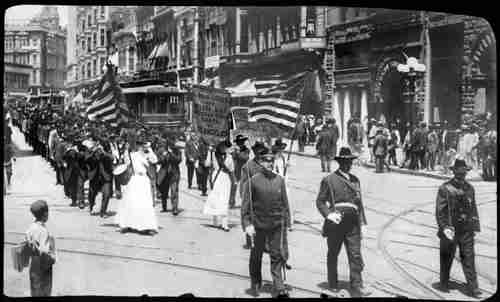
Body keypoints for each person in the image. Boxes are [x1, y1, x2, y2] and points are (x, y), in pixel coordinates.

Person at [315, 147, 370, 297]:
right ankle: (333, 283)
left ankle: (357, 284)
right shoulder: (329, 180)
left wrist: (363, 224)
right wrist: (328, 214)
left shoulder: (355, 180)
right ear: (339, 162)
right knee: (333, 253)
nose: (348, 164)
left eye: (350, 161)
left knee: (355, 254)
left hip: (353, 223)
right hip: (336, 222)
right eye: (344, 161)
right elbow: (320, 202)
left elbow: (359, 204)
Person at [241, 149, 291, 298]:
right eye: (266, 161)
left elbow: (284, 203)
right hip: (258, 225)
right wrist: (247, 224)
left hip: (276, 224)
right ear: (261, 163)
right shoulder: (253, 181)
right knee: (256, 255)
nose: (269, 163)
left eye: (271, 161)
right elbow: (246, 206)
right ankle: (255, 282)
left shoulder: (279, 180)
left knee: (277, 254)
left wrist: (287, 221)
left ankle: (279, 286)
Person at [435, 158, 482, 298]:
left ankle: (473, 288)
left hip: (466, 230)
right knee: (446, 257)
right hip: (450, 229)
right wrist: (444, 228)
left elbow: (473, 209)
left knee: (469, 258)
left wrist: (474, 227)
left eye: (464, 173)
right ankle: (444, 282)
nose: (462, 175)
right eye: (459, 172)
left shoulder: (469, 188)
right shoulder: (445, 188)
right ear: (454, 172)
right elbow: (440, 211)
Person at [115, 139, 159, 235]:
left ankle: (146, 226)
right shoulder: (133, 155)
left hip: (144, 180)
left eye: (144, 145)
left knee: (145, 203)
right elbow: (127, 161)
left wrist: (150, 150)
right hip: (135, 179)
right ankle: (127, 224)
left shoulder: (148, 154)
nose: (142, 147)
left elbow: (155, 160)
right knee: (131, 202)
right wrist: (126, 150)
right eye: (141, 145)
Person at [25, 200, 56, 297]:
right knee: (45, 289)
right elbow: (44, 250)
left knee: (35, 287)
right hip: (43, 263)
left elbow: (27, 239)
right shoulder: (43, 230)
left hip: (34, 263)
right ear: (45, 214)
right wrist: (52, 258)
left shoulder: (31, 227)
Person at [240, 142, 267, 249]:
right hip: (252, 195)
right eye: (258, 152)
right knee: (249, 217)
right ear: (255, 153)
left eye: (262, 152)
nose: (260, 155)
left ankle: (264, 243)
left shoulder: (267, 164)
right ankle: (249, 241)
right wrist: (244, 196)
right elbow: (244, 182)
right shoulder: (248, 166)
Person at [203, 140, 234, 232]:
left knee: (225, 201)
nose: (223, 148)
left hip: (225, 179)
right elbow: (207, 164)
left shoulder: (229, 157)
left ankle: (225, 224)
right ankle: (215, 221)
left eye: (225, 147)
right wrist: (209, 152)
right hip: (216, 178)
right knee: (215, 199)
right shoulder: (213, 155)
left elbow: (231, 169)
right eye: (222, 146)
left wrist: (233, 181)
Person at [86, 143, 114, 217]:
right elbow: (86, 159)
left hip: (105, 179)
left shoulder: (106, 157)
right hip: (94, 178)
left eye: (100, 150)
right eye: (97, 151)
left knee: (107, 194)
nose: (99, 152)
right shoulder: (91, 158)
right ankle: (91, 206)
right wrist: (92, 151)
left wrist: (104, 152)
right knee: (92, 194)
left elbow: (112, 158)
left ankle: (103, 211)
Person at [272, 139, 294, 231]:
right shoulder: (272, 160)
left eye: (282, 150)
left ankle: (289, 223)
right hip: (276, 183)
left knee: (287, 202)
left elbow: (289, 170)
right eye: (279, 150)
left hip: (285, 183)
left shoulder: (284, 158)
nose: (281, 152)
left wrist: (287, 166)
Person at [157, 137, 182, 215]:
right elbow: (159, 161)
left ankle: (175, 208)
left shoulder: (177, 151)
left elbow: (178, 160)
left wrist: (171, 153)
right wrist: (164, 156)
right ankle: (164, 207)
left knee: (174, 191)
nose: (172, 144)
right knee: (164, 192)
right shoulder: (161, 150)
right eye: (170, 142)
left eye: (173, 142)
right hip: (164, 173)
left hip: (174, 174)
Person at [230, 134, 250, 208]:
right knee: (233, 186)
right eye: (239, 142)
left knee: (243, 188)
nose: (240, 143)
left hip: (242, 171)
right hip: (234, 170)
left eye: (242, 142)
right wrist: (233, 151)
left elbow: (245, 158)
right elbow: (231, 157)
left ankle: (244, 203)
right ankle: (231, 202)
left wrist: (238, 152)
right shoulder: (233, 150)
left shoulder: (246, 150)